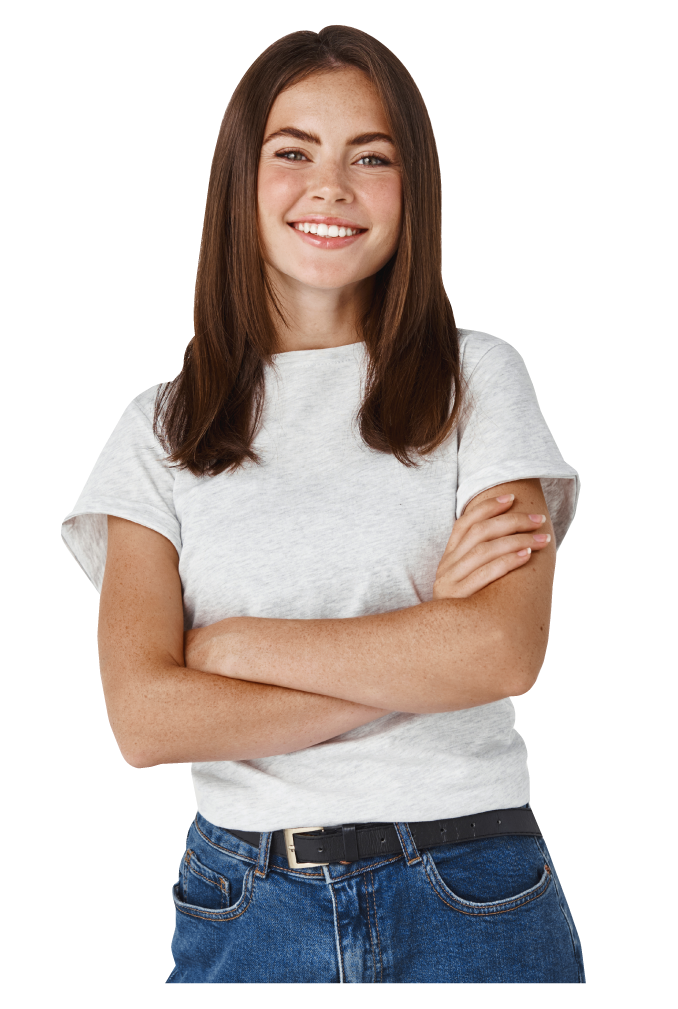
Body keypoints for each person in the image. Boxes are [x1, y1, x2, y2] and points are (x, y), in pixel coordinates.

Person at [61, 26, 585, 984]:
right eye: (294, 152)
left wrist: (232, 648)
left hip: (471, 885)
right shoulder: (160, 428)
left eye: (371, 157)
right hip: (245, 902)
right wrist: (424, 645)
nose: (331, 187)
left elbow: (502, 651)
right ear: (240, 182)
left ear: (413, 189)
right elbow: (146, 719)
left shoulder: (479, 378)